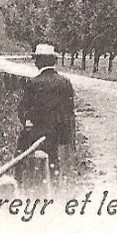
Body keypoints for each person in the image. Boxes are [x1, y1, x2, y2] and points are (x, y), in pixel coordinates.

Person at [17, 42, 76, 173]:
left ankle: (21, 180)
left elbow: (23, 110)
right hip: (59, 135)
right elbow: (69, 111)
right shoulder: (65, 82)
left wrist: (27, 122)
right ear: (54, 61)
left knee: (21, 155)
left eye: (36, 59)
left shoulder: (33, 83)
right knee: (56, 164)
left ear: (39, 62)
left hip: (38, 134)